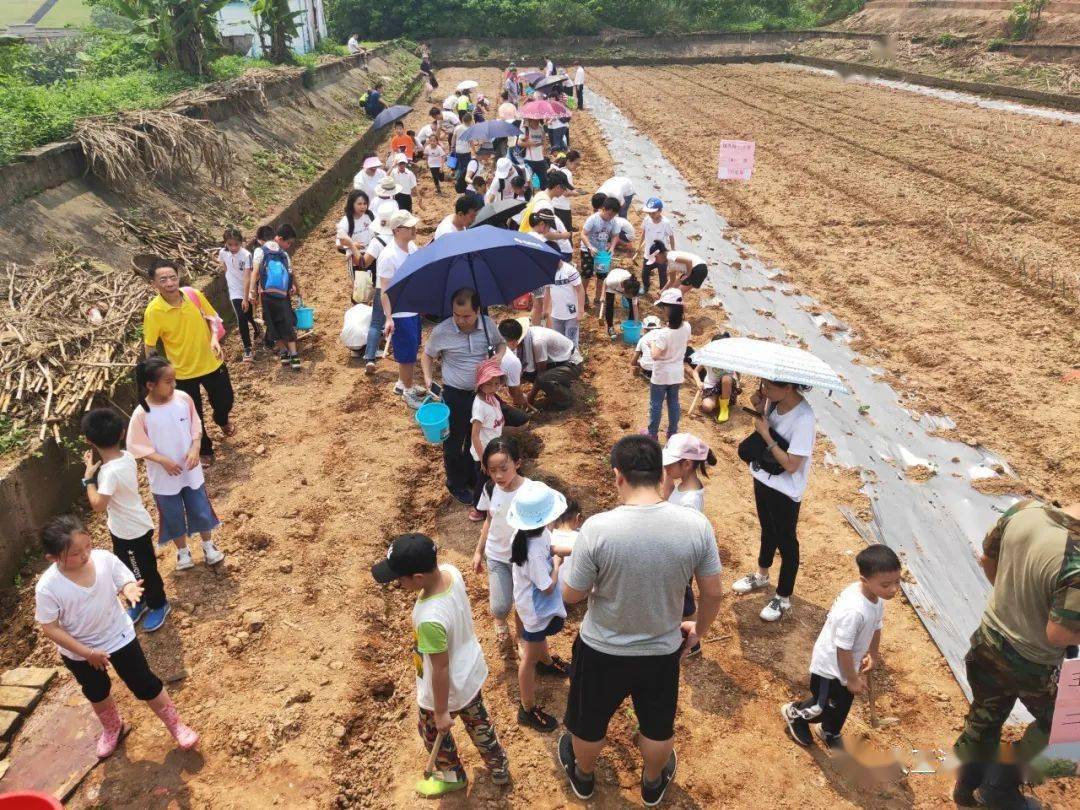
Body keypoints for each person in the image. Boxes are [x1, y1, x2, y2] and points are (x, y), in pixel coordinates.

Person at [558, 435, 722, 805]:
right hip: (662, 649)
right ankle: (652, 782)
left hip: (601, 648)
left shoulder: (598, 529)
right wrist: (698, 631)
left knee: (588, 723)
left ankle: (583, 777)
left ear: (619, 475)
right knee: (656, 724)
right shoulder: (695, 525)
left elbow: (572, 595)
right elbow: (712, 593)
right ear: (660, 472)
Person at [35, 515, 198, 759]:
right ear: (53, 558)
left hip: (118, 636)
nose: (85, 555)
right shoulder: (48, 587)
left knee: (144, 682)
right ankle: (112, 728)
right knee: (96, 691)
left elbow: (124, 578)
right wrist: (86, 653)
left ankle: (176, 725)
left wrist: (129, 588)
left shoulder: (103, 559)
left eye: (87, 546)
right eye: (76, 553)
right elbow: (51, 627)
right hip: (80, 652)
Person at [952, 499, 1080, 808]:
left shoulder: (1025, 510)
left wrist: (1016, 601)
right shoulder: (1075, 562)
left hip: (988, 639)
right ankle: (1000, 787)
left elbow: (987, 559)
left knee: (987, 712)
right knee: (1065, 732)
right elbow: (1059, 634)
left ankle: (966, 784)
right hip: (1032, 663)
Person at [371, 533, 510, 796]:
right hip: (469, 674)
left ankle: (451, 776)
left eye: (400, 579)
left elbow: (440, 668)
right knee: (479, 722)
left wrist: (441, 711)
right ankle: (499, 766)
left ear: (418, 579)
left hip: (444, 691)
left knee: (432, 732)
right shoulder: (450, 571)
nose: (398, 584)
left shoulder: (429, 619)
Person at [781, 545, 901, 750]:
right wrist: (851, 679)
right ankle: (795, 713)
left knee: (843, 702)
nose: (893, 589)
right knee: (823, 706)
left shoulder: (876, 597)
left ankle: (829, 730)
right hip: (830, 668)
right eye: (886, 585)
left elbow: (876, 626)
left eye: (897, 581)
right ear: (865, 580)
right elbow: (842, 649)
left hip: (848, 666)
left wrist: (872, 653)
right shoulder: (853, 610)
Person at [127, 356, 225, 571]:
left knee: (199, 507)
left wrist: (195, 447)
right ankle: (183, 551)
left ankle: (208, 545)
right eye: (168, 382)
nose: (174, 385)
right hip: (163, 477)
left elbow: (196, 427)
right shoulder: (142, 413)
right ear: (150, 385)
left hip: (190, 471)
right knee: (172, 514)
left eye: (174, 380)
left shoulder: (183, 399)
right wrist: (162, 460)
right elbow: (135, 445)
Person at [731, 378, 816, 622]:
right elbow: (768, 426)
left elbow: (791, 465)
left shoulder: (804, 419)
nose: (764, 390)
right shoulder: (773, 402)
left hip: (785, 490)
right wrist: (760, 410)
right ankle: (762, 574)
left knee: (786, 542)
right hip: (763, 478)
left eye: (769, 387)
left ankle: (784, 596)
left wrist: (766, 436)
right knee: (767, 529)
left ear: (788, 387)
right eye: (764, 385)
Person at [80, 408, 169, 633]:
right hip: (126, 527)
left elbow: (98, 505)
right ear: (122, 433)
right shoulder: (127, 456)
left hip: (131, 532)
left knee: (141, 571)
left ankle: (158, 603)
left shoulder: (108, 472)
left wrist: (88, 479)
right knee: (128, 569)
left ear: (88, 440)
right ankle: (137, 602)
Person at [143, 259, 234, 460]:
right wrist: (154, 375)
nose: (169, 283)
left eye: (172, 277)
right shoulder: (153, 312)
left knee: (225, 401)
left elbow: (213, 320)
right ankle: (205, 450)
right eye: (163, 279)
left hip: (212, 362)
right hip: (182, 373)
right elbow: (150, 346)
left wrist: (214, 340)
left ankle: (221, 418)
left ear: (179, 277)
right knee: (193, 417)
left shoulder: (194, 295)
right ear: (154, 284)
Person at [421, 288, 506, 503]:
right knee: (452, 441)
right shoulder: (442, 331)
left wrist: (499, 355)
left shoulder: (488, 325)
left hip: (480, 394)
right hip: (454, 395)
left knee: (474, 437)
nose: (460, 321)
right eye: (456, 315)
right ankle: (455, 483)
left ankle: (469, 475)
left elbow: (501, 343)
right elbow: (427, 355)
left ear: (477, 310)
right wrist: (428, 378)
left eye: (466, 316)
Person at [508, 480, 570, 732]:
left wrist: (572, 549)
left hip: (531, 604)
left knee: (539, 639)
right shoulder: (533, 552)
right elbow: (546, 587)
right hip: (534, 608)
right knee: (529, 657)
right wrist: (556, 564)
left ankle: (546, 662)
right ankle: (527, 708)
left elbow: (551, 545)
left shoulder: (530, 534)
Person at [474, 437, 530, 646]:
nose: (498, 475)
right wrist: (479, 551)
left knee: (523, 603)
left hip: (523, 558)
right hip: (497, 555)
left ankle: (522, 636)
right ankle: (500, 620)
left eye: (504, 469)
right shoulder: (490, 488)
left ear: (517, 463)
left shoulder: (531, 491)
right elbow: (490, 518)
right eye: (492, 469)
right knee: (500, 606)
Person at [377, 210, 425, 409]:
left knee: (413, 349)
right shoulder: (388, 256)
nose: (414, 229)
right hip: (401, 313)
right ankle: (407, 390)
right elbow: (385, 291)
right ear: (397, 230)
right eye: (409, 227)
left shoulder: (412, 247)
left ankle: (401, 383)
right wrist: (389, 318)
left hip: (413, 308)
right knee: (406, 355)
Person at [251, 224, 302, 370]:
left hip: (266, 296)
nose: (288, 246)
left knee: (271, 324)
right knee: (286, 323)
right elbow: (291, 273)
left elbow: (255, 273)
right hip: (283, 295)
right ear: (279, 238)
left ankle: (284, 352)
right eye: (288, 243)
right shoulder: (283, 254)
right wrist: (297, 289)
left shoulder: (260, 251)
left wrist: (251, 292)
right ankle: (294, 355)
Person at [499, 319, 578, 411]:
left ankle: (565, 399)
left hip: (571, 362)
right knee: (528, 374)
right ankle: (557, 386)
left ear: (514, 342)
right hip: (555, 362)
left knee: (543, 379)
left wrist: (530, 397)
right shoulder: (521, 340)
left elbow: (541, 373)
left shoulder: (538, 342)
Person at [646, 289, 691, 439]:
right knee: (673, 402)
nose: (662, 310)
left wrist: (651, 342)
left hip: (661, 375)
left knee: (656, 404)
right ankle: (672, 432)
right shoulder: (686, 327)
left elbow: (655, 355)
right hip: (677, 373)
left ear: (669, 309)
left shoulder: (664, 334)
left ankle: (652, 434)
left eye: (663, 307)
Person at [361, 202, 396, 375]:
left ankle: (370, 357)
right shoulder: (402, 240)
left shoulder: (377, 241)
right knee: (400, 320)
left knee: (376, 322)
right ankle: (398, 352)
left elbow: (365, 262)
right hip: (401, 287)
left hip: (382, 286)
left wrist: (355, 250)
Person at [469, 358, 506, 518]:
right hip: (484, 452)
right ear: (480, 384)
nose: (493, 387)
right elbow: (475, 435)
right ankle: (478, 509)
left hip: (494, 447)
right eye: (489, 384)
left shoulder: (492, 398)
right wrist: (484, 459)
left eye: (496, 384)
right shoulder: (479, 406)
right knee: (483, 482)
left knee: (490, 480)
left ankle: (493, 501)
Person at [217, 228, 255, 362]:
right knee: (241, 317)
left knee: (248, 313)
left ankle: (256, 328)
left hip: (245, 288)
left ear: (241, 242)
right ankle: (248, 348)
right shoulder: (223, 253)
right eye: (230, 244)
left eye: (236, 244)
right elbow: (225, 267)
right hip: (234, 291)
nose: (233, 247)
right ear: (225, 243)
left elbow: (246, 277)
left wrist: (246, 297)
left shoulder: (246, 255)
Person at [581, 196, 624, 309]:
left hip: (602, 252)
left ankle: (598, 297)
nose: (611, 217)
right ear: (603, 209)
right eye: (609, 214)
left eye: (613, 215)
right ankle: (583, 295)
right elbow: (583, 234)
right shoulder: (593, 219)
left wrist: (612, 247)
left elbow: (615, 235)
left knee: (602, 276)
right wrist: (590, 247)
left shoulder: (613, 221)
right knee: (587, 274)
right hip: (588, 250)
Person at [337, 190, 374, 288]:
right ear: (352, 204)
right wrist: (352, 245)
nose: (363, 206)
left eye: (365, 203)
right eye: (359, 204)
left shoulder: (369, 215)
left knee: (372, 284)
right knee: (361, 289)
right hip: (356, 259)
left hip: (371, 254)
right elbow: (338, 244)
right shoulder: (346, 222)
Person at [637, 199, 676, 293]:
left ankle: (663, 292)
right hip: (648, 253)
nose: (651, 215)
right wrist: (639, 246)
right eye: (649, 213)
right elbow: (644, 232)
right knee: (645, 273)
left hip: (660, 255)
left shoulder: (665, 223)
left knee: (663, 276)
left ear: (660, 211)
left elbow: (671, 236)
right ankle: (646, 287)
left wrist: (673, 250)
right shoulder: (647, 220)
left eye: (653, 213)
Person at [545, 261, 584, 349]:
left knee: (571, 341)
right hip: (556, 314)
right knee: (559, 341)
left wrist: (581, 311)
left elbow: (580, 289)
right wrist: (545, 309)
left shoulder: (570, 270)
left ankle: (573, 360)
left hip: (571, 315)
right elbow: (547, 291)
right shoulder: (547, 271)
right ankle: (563, 361)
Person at [602, 267, 641, 341]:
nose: (631, 297)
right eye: (629, 296)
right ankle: (610, 327)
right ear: (624, 291)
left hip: (625, 284)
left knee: (633, 304)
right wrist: (602, 295)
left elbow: (635, 307)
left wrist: (635, 323)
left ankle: (629, 323)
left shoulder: (633, 287)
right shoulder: (612, 282)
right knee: (609, 304)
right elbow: (605, 281)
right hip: (613, 281)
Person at [549, 150, 582, 229]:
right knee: (566, 232)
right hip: (563, 207)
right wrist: (576, 193)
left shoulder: (561, 170)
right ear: (568, 161)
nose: (576, 167)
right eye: (576, 164)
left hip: (554, 204)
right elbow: (566, 193)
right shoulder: (568, 173)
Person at [632, 315, 663, 379]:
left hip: (648, 369)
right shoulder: (664, 335)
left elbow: (633, 362)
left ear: (644, 329)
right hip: (664, 369)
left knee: (641, 355)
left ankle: (647, 373)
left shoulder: (642, 339)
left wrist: (638, 363)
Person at [521, 118, 548, 190]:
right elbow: (519, 143)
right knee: (528, 182)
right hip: (529, 160)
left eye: (538, 120)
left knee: (544, 181)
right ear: (530, 120)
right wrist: (530, 143)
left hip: (540, 159)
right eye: (535, 120)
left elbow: (544, 141)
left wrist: (543, 145)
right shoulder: (526, 129)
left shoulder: (541, 128)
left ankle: (542, 197)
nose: (537, 121)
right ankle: (529, 197)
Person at [451, 113, 474, 192]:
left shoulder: (457, 128)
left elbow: (453, 138)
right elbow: (471, 142)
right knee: (467, 167)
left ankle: (458, 179)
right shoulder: (468, 129)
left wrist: (452, 147)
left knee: (459, 166)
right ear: (470, 121)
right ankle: (463, 181)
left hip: (458, 150)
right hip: (466, 151)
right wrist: (474, 151)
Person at [424, 131, 447, 195]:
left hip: (439, 164)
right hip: (432, 165)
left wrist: (442, 166)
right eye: (431, 141)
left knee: (441, 178)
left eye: (434, 141)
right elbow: (426, 156)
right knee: (435, 177)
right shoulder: (427, 148)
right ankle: (438, 189)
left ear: (437, 142)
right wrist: (427, 164)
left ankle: (441, 179)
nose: (432, 142)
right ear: (429, 141)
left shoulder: (439, 148)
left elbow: (443, 156)